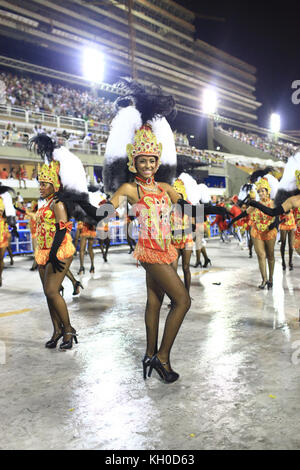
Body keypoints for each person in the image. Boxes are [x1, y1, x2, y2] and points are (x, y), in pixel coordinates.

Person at [231, 177, 277, 289]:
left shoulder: (273, 203)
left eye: (263, 191)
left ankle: (271, 279)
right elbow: (245, 213)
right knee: (261, 255)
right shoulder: (255, 204)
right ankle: (264, 280)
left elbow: (277, 216)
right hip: (257, 231)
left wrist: (274, 224)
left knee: (270, 255)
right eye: (259, 191)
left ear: (268, 191)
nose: (261, 193)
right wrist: (233, 220)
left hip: (270, 231)